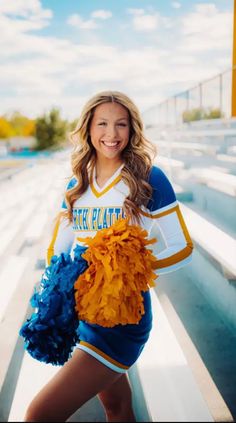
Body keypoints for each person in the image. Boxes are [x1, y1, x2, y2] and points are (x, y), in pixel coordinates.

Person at [24, 91, 193, 422]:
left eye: (121, 124)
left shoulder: (148, 177)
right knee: (116, 407)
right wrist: (55, 300)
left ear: (132, 130)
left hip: (122, 319)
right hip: (86, 313)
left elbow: (183, 247)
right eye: (102, 124)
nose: (112, 134)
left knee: (39, 413)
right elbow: (56, 250)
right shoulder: (78, 184)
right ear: (88, 128)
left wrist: (132, 269)